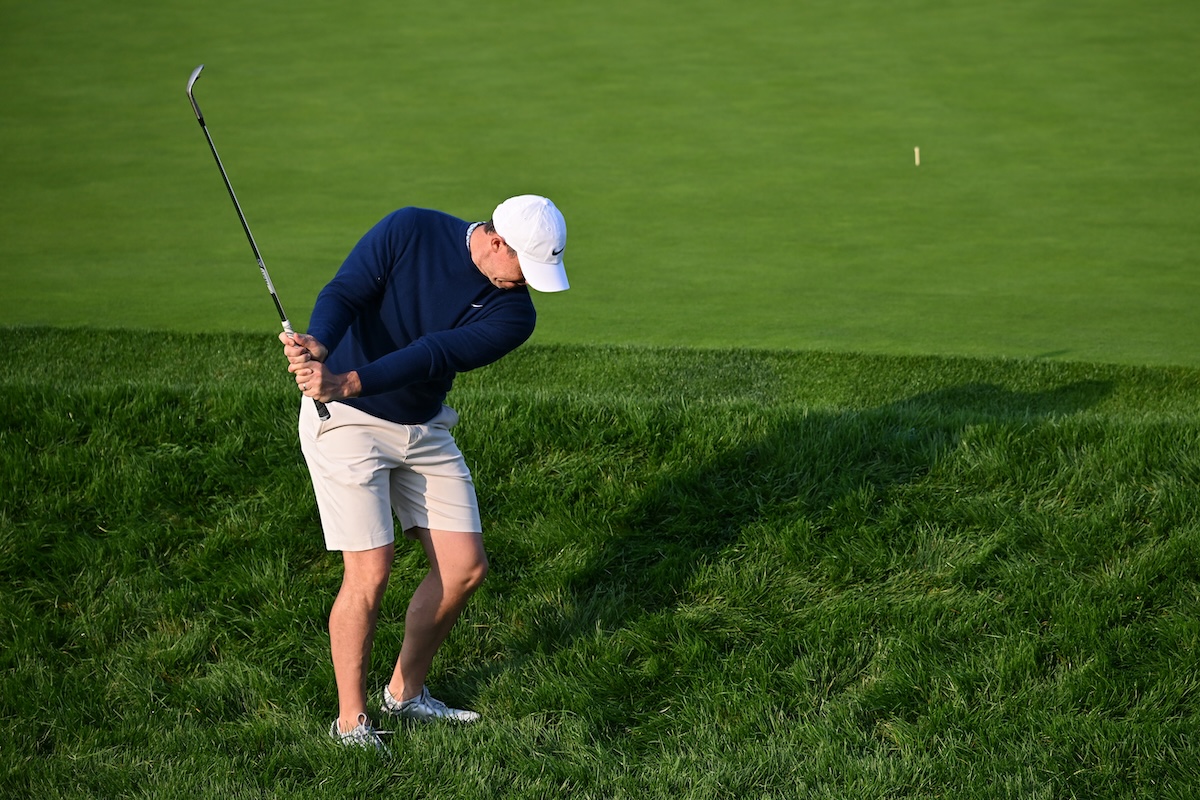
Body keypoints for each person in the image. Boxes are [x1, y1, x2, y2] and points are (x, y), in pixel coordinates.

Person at [279, 195, 570, 752]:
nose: (526, 284)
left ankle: (404, 694)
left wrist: (347, 379)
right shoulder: (410, 228)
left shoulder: (516, 315)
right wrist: (321, 341)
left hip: (419, 424)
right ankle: (351, 723)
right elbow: (346, 291)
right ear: (496, 241)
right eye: (524, 268)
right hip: (344, 421)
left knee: (464, 568)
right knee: (371, 570)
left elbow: (434, 352)